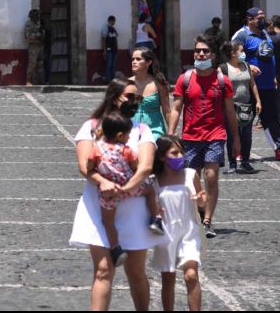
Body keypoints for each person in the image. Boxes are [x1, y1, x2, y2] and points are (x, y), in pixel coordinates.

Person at [69, 78, 166, 311]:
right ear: (115, 98)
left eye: (138, 98)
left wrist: (126, 188)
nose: (135, 102)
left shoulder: (141, 130)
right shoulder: (91, 127)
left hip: (133, 208)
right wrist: (102, 182)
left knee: (135, 271)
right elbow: (85, 166)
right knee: (103, 269)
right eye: (130, 97)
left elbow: (145, 166)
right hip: (99, 205)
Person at [168, 35, 241, 239]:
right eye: (198, 51)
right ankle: (198, 211)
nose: (201, 54)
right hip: (190, 137)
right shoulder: (185, 79)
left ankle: (207, 220)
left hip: (215, 135)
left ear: (213, 55)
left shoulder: (222, 81)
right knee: (191, 180)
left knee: (211, 176)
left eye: (205, 51)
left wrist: (236, 138)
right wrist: (171, 133)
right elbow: (176, 109)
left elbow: (229, 112)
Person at [86, 111, 165, 266]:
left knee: (108, 222)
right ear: (120, 135)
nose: (129, 137)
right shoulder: (126, 149)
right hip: (128, 187)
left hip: (108, 191)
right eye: (128, 135)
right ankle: (156, 219)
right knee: (150, 191)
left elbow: (89, 167)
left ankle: (116, 249)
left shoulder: (96, 149)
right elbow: (135, 166)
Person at [233, 7, 280, 161]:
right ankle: (239, 151)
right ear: (250, 19)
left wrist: (273, 76)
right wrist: (248, 66)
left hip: (268, 84)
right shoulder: (241, 35)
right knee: (245, 119)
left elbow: (268, 55)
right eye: (259, 17)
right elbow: (233, 56)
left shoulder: (265, 34)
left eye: (263, 16)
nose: (263, 19)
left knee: (272, 118)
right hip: (249, 86)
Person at [151, 135, 206, 312]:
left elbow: (202, 203)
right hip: (167, 235)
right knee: (168, 279)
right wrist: (155, 214)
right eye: (174, 153)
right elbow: (150, 210)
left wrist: (202, 200)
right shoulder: (155, 181)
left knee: (191, 275)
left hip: (189, 232)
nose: (179, 156)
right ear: (161, 156)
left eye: (181, 152)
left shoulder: (191, 175)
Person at [219, 41, 261, 174]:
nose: (243, 53)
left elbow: (252, 84)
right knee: (232, 135)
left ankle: (245, 161)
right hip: (230, 107)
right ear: (233, 53)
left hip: (246, 106)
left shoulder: (246, 65)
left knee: (247, 135)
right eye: (241, 51)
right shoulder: (223, 68)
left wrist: (258, 101)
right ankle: (232, 163)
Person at [131, 47, 171, 138]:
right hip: (132, 129)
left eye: (138, 59)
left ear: (149, 62)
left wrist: (172, 131)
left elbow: (167, 110)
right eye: (133, 59)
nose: (134, 62)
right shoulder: (127, 84)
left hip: (155, 129)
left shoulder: (159, 84)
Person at [25, 9, 45, 85]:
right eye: (36, 15)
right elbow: (27, 35)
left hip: (40, 46)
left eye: (38, 15)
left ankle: (41, 82)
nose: (38, 17)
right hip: (33, 46)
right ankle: (29, 81)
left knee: (41, 64)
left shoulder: (38, 24)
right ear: (32, 16)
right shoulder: (29, 24)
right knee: (32, 64)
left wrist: (42, 34)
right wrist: (38, 35)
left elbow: (43, 33)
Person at [101, 15, 119, 83]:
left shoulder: (113, 29)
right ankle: (107, 79)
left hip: (114, 49)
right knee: (109, 65)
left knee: (113, 65)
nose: (113, 22)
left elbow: (116, 38)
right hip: (108, 49)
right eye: (113, 21)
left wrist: (117, 48)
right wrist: (104, 50)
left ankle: (112, 79)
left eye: (114, 21)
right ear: (110, 21)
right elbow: (103, 39)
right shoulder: (105, 28)